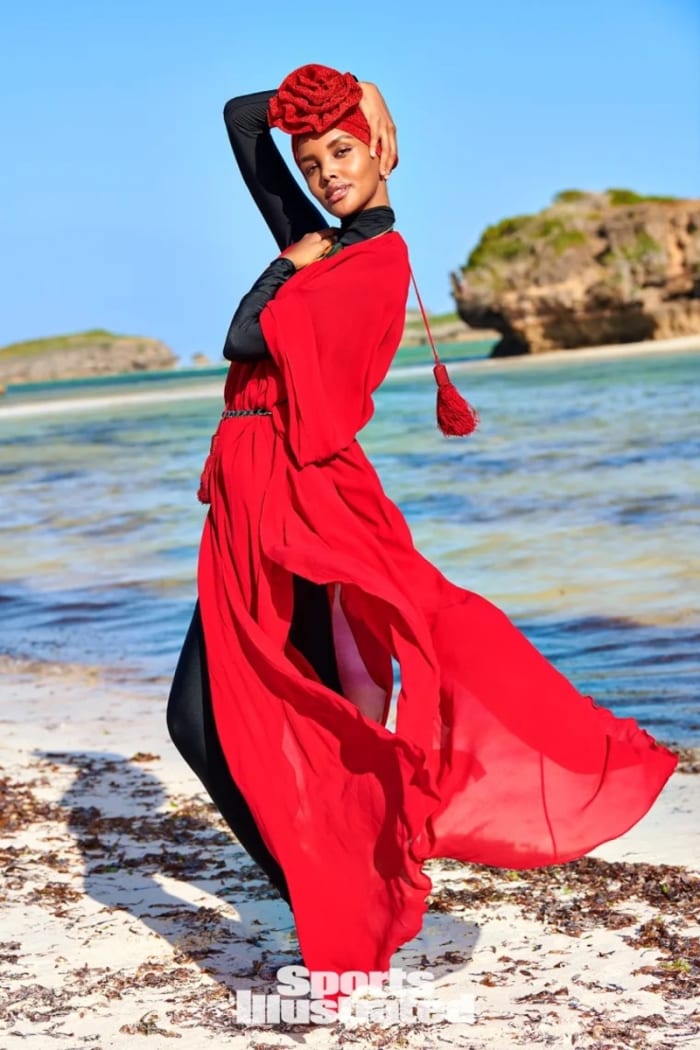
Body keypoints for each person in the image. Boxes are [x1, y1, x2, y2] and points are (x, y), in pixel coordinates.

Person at [168, 63, 677, 983]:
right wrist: (364, 92)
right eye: (313, 159)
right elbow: (245, 121)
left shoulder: (371, 260)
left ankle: (339, 894)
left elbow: (247, 335)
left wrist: (289, 261)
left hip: (300, 502)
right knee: (214, 723)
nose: (324, 173)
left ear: (379, 156)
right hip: (248, 497)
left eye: (343, 152)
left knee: (242, 718)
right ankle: (327, 891)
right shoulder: (325, 238)